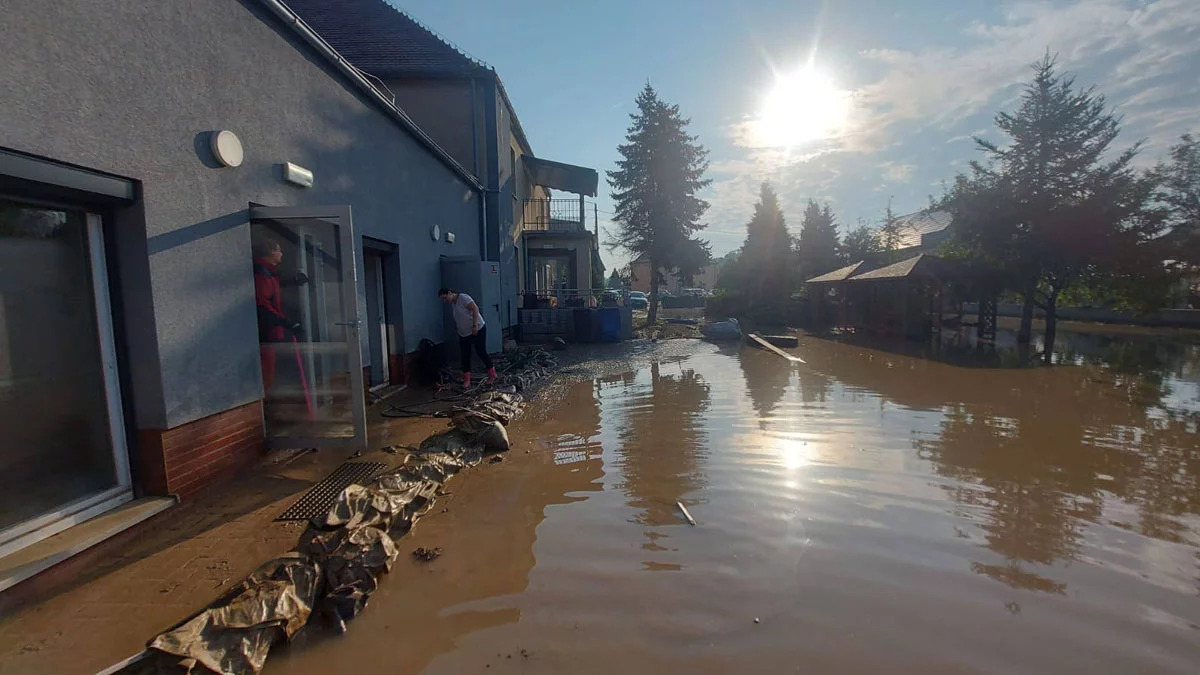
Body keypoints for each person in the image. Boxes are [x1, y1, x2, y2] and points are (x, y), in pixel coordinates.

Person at [253, 238, 306, 393]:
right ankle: (267, 405)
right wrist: (287, 323)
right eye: (279, 250)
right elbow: (263, 306)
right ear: (271, 253)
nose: (282, 254)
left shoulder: (267, 272)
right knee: (266, 374)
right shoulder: (261, 274)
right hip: (266, 334)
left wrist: (293, 280)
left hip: (271, 332)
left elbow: (273, 284)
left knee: (270, 371)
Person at [439, 287, 496, 388]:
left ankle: (492, 374)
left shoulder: (463, 298)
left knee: (481, 352)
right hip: (464, 333)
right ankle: (466, 379)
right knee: (465, 355)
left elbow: (475, 309)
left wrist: (475, 326)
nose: (445, 301)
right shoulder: (453, 304)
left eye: (445, 298)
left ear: (449, 293)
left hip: (477, 329)